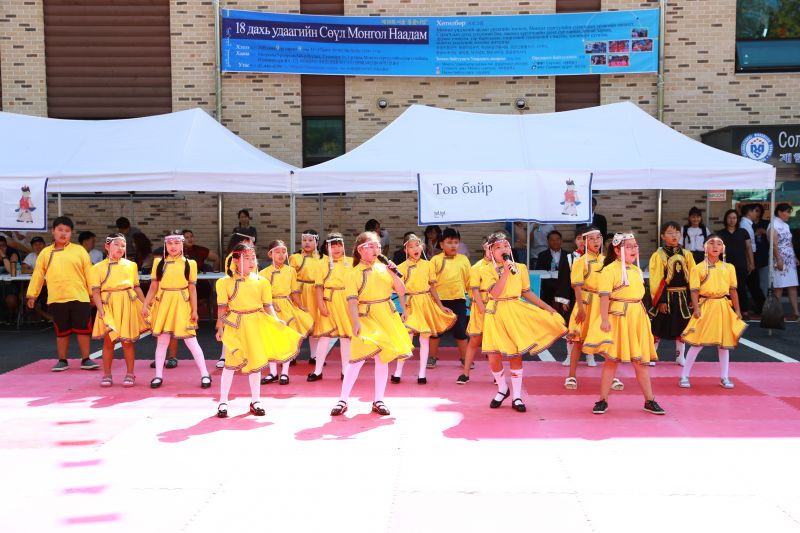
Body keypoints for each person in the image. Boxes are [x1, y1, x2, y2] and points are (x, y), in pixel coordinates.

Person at [481, 232, 567, 413]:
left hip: (514, 311)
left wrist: (547, 308)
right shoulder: (486, 269)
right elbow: (494, 293)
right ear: (491, 251)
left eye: (506, 246)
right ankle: (502, 388)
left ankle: (517, 395)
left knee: (515, 353)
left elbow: (526, 292)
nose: (504, 250)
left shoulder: (520, 267)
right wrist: (505, 271)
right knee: (493, 355)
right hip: (495, 312)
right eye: (498, 247)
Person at [214, 243, 303, 418]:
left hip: (256, 324)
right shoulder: (224, 282)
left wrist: (276, 321)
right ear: (236, 261)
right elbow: (222, 308)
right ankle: (223, 401)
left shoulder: (262, 281)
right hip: (235, 325)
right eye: (246, 258)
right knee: (230, 364)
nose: (251, 262)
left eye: (253, 258)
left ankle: (256, 400)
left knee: (255, 364)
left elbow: (267, 305)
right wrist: (219, 327)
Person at [329, 231, 413, 417]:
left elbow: (401, 290)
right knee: (357, 359)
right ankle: (343, 399)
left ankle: (379, 400)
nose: (377, 250)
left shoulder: (385, 269)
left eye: (378, 246)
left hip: (386, 315)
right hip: (365, 316)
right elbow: (352, 300)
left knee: (382, 359)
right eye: (372, 246)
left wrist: (393, 272)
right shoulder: (352, 274)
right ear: (360, 250)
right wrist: (356, 321)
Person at [583, 232, 665, 415]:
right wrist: (604, 320)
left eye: (635, 246)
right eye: (629, 246)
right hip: (618, 317)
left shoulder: (636, 270)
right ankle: (602, 400)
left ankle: (649, 400)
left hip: (637, 317)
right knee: (611, 361)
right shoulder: (609, 270)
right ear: (617, 250)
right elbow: (604, 297)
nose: (634, 249)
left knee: (641, 362)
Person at [26, 216, 99, 372]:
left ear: (71, 233)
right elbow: (37, 275)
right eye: (60, 230)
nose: (63, 234)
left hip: (80, 296)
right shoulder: (45, 253)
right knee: (61, 330)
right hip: (57, 298)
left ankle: (86, 359)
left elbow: (89, 274)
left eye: (67, 231)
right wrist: (32, 295)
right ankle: (62, 360)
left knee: (83, 329)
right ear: (53, 232)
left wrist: (93, 295)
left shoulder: (80, 251)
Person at [141, 232, 211, 389]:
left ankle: (205, 374)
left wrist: (194, 310)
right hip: (163, 302)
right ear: (166, 245)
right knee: (162, 340)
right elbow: (153, 287)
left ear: (182, 245)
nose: (173, 247)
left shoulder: (189, 264)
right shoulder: (158, 263)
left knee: (191, 340)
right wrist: (146, 304)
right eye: (170, 244)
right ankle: (158, 375)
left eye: (176, 243)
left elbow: (192, 288)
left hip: (182, 302)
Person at [679, 234, 746, 389]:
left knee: (724, 344)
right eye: (711, 243)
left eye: (719, 243)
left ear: (723, 248)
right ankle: (684, 376)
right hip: (706, 306)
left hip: (723, 306)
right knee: (697, 343)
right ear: (705, 247)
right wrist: (696, 308)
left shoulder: (729, 268)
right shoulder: (698, 268)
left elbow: (733, 290)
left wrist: (737, 310)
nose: (715, 246)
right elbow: (694, 291)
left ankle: (724, 377)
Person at [392, 234, 455, 384]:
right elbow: (401, 292)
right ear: (406, 249)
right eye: (411, 246)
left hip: (426, 303)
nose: (415, 248)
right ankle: (398, 372)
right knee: (407, 338)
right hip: (412, 303)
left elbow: (432, 287)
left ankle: (422, 374)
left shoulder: (428, 265)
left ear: (422, 247)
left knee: (424, 339)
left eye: (417, 245)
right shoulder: (401, 267)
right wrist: (404, 311)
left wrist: (440, 306)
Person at [564, 227, 619, 389]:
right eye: (592, 238)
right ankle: (572, 375)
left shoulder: (608, 260)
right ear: (585, 242)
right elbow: (577, 287)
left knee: (608, 340)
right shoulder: (580, 261)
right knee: (579, 340)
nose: (596, 241)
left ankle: (612, 376)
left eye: (599, 238)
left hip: (603, 304)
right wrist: (580, 308)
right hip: (587, 303)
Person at [91, 234, 149, 387]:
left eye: (123, 245)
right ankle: (107, 374)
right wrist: (101, 309)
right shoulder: (97, 268)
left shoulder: (131, 265)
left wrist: (145, 304)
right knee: (109, 342)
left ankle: (130, 373)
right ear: (107, 246)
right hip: (108, 305)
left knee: (127, 342)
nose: (120, 248)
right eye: (116, 245)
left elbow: (136, 287)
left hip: (127, 304)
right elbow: (95, 291)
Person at [259, 240, 314, 385]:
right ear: (270, 254)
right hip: (270, 308)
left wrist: (301, 306)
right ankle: (272, 373)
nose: (281, 255)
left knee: (288, 339)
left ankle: (285, 373)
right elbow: (262, 294)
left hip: (287, 307)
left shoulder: (291, 271)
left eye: (284, 251)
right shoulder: (263, 273)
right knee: (272, 339)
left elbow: (294, 292)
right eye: (277, 252)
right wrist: (272, 303)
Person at [648, 221, 696, 366]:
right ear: (663, 236)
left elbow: (693, 278)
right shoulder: (658, 255)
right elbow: (656, 279)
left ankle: (680, 356)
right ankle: (652, 354)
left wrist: (691, 298)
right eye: (670, 233)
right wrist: (661, 300)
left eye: (676, 232)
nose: (674, 236)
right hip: (665, 295)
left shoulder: (687, 254)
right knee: (658, 326)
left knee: (682, 326)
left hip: (682, 296)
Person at [307, 233, 353, 381]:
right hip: (329, 301)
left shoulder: (352, 262)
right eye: (333, 246)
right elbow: (318, 287)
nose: (337, 249)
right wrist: (320, 305)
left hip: (346, 302)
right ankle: (318, 370)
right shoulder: (321, 264)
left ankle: (346, 371)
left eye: (339, 245)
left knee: (346, 338)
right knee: (324, 337)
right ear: (327, 248)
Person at [427, 227, 471, 370]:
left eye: (456, 242)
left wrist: (473, 300)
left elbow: (469, 282)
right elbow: (431, 284)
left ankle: (465, 359)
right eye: (449, 242)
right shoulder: (435, 260)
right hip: (438, 301)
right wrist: (439, 305)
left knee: (460, 330)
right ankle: (432, 358)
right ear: (441, 244)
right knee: (436, 331)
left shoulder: (464, 260)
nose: (453, 245)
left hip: (458, 300)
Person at [458, 237, 492, 384]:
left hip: (497, 307)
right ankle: (465, 373)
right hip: (480, 307)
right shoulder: (476, 267)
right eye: (489, 247)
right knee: (474, 340)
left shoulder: (504, 266)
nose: (492, 250)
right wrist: (483, 309)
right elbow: (475, 291)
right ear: (484, 247)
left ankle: (498, 376)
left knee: (495, 342)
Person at [290, 230, 324, 369]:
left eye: (310, 240)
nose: (307, 243)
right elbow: (290, 277)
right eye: (305, 240)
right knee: (296, 324)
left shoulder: (323, 258)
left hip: (315, 292)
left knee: (315, 324)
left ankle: (314, 355)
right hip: (299, 292)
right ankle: (291, 354)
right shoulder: (295, 257)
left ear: (317, 242)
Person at [719, 209, 754, 319]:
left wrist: (751, 262)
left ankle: (744, 311)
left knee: (741, 288)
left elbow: (748, 248)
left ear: (737, 219)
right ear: (726, 219)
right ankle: (729, 310)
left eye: (734, 218)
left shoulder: (743, 232)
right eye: (730, 218)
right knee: (727, 289)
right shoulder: (720, 233)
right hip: (725, 266)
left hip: (741, 264)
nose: (732, 220)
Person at [770, 203, 800, 322]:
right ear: (779, 212)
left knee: (792, 285)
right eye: (787, 212)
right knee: (779, 287)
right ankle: (778, 314)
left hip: (789, 257)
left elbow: (789, 242)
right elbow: (774, 244)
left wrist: (794, 256)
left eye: (789, 212)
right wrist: (778, 259)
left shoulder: (786, 225)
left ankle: (796, 312)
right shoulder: (773, 225)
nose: (788, 214)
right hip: (779, 257)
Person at [740, 204, 766, 316]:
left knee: (753, 284)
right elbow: (747, 245)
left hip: (750, 256)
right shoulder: (745, 224)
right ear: (749, 212)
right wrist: (750, 262)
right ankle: (762, 307)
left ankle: (761, 307)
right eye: (755, 211)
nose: (757, 214)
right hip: (748, 257)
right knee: (753, 284)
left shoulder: (748, 224)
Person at [535, 230, 568, 307]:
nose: (555, 242)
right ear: (548, 241)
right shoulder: (542, 255)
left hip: (564, 286)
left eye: (557, 239)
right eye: (552, 240)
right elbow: (538, 270)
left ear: (561, 241)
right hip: (548, 287)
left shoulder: (568, 254)